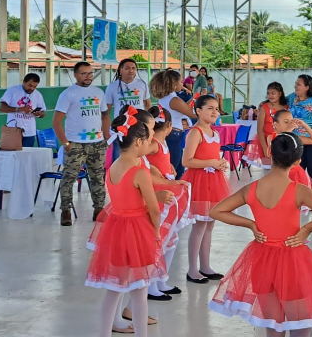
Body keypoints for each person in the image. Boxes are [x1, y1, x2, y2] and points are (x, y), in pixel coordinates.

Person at [208, 132, 312, 335]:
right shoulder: (300, 190)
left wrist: (251, 225)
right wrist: (305, 230)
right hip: (292, 260)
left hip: (261, 260)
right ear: (298, 161)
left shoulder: (251, 188)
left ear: (270, 153)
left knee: (272, 325)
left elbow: (216, 211)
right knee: (301, 326)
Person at [84, 110, 168, 337]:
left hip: (115, 230)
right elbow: (153, 209)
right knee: (139, 292)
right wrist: (157, 233)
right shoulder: (140, 171)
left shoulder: (112, 168)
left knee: (113, 290)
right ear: (139, 141)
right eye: (148, 140)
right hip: (137, 231)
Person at [53, 62, 111, 226]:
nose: (88, 77)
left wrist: (105, 136)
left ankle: (99, 209)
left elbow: (105, 115)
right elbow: (56, 121)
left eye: (90, 73)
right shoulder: (68, 94)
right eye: (84, 73)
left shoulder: (98, 92)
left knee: (97, 178)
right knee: (69, 178)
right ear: (76, 75)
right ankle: (66, 210)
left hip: (97, 143)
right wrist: (65, 143)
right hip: (76, 144)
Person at [145, 106, 193, 300]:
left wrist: (167, 166)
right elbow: (139, 156)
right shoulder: (154, 143)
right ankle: (151, 285)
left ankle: (161, 280)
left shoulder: (160, 143)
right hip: (159, 196)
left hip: (167, 195)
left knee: (171, 241)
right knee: (160, 241)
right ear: (170, 126)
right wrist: (153, 169)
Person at [181, 95, 230, 285]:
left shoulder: (214, 133)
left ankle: (205, 266)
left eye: (216, 108)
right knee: (199, 225)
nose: (214, 112)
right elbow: (187, 161)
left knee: (210, 225)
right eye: (210, 108)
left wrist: (220, 163)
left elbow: (213, 156)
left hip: (214, 182)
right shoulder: (195, 132)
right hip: (199, 182)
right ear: (198, 111)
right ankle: (192, 269)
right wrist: (211, 162)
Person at [260, 110, 312, 213]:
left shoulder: (294, 138)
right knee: (280, 202)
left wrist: (304, 125)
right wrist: (288, 131)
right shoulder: (272, 138)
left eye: (292, 121)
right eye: (286, 121)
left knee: (295, 203)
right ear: (276, 124)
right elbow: (278, 145)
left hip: (296, 175)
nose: (290, 124)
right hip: (280, 175)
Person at [150, 69, 198, 180]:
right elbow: (192, 113)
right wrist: (197, 99)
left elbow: (183, 108)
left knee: (177, 167)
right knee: (175, 169)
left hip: (172, 133)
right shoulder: (174, 99)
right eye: (181, 82)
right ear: (173, 84)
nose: (182, 84)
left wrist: (193, 98)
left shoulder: (167, 98)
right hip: (174, 135)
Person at [105, 59, 151, 162]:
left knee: (140, 156)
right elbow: (106, 110)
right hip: (120, 128)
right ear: (120, 70)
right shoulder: (112, 87)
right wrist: (105, 129)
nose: (131, 71)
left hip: (139, 126)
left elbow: (148, 105)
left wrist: (150, 125)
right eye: (127, 68)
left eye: (133, 68)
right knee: (119, 157)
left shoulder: (142, 84)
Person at [246, 82, 288, 169]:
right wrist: (265, 147)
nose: (270, 96)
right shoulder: (264, 107)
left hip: (281, 143)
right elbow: (260, 129)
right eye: (268, 93)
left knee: (281, 169)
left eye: (273, 93)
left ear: (280, 93)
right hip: (266, 142)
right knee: (268, 169)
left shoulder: (286, 108)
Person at [0, 73, 46, 147]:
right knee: (13, 155)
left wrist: (39, 114)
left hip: (30, 132)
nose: (32, 88)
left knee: (26, 156)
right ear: (24, 82)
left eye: (35, 86)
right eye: (30, 85)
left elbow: (43, 113)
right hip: (13, 130)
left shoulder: (38, 95)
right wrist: (19, 109)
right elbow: (2, 108)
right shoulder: (13, 90)